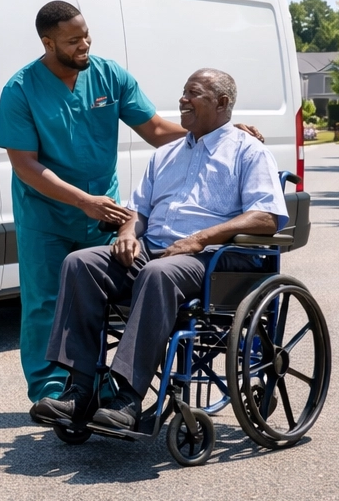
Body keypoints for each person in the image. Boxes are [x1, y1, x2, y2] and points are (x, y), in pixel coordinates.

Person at [31, 69, 288, 432]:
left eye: (193, 93)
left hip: (213, 260)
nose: (183, 99)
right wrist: (127, 233)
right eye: (183, 92)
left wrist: (202, 238)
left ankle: (128, 398)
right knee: (80, 263)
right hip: (156, 252)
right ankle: (80, 390)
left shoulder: (249, 151)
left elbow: (267, 217)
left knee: (157, 273)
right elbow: (139, 212)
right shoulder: (165, 155)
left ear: (222, 103)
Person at [0, 1, 193, 409]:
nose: (84, 44)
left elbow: (154, 129)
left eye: (86, 35)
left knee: (94, 300)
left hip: (103, 212)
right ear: (48, 43)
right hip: (46, 215)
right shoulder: (21, 89)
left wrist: (214, 130)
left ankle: (94, 385)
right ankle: (51, 390)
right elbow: (24, 165)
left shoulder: (108, 75)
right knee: (45, 303)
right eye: (73, 40)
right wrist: (83, 201)